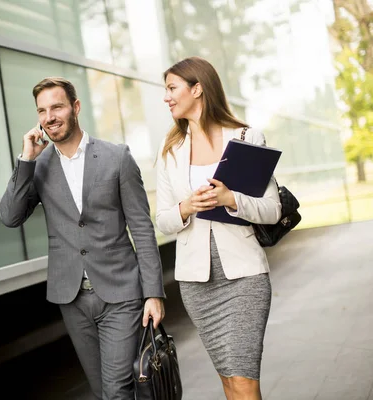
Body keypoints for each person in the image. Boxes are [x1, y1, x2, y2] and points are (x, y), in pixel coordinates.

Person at [0, 77, 166, 399]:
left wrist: (154, 293)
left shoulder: (116, 157)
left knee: (118, 389)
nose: (50, 117)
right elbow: (10, 216)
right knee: (103, 390)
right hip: (71, 297)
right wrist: (26, 160)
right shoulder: (39, 165)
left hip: (121, 293)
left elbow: (142, 228)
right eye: (42, 110)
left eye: (57, 106)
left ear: (75, 107)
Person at [155, 57, 282, 400]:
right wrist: (186, 208)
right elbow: (163, 219)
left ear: (197, 88)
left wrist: (231, 199)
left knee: (243, 380)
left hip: (245, 277)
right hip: (197, 283)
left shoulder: (246, 137)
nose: (166, 97)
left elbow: (272, 210)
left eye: (172, 88)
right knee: (228, 379)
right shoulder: (171, 151)